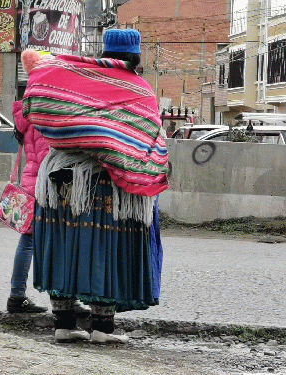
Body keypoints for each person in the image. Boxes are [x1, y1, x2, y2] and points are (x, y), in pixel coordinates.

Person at [21, 29, 169, 343]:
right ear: (136, 56)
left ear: (105, 52)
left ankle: (63, 324)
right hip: (106, 183)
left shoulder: (71, 76)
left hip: (60, 177)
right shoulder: (138, 88)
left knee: (64, 242)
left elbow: (35, 108)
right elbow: (146, 135)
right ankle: (102, 329)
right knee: (106, 246)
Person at [6, 100, 50, 314]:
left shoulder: (27, 113)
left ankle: (17, 295)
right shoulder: (43, 114)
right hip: (43, 183)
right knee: (39, 241)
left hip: (31, 180)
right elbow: (47, 156)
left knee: (29, 239)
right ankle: (17, 296)